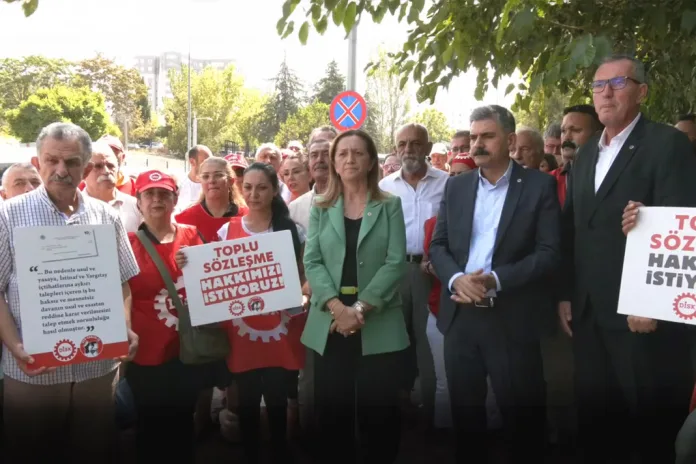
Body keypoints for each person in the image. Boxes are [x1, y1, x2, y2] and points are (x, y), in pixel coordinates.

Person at [559, 54, 696, 463]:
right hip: (588, 314)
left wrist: (650, 300)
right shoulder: (586, 155)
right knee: (599, 426)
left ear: (642, 92)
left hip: (640, 319)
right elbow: (573, 229)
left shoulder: (666, 143)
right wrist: (566, 294)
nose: (606, 92)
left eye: (618, 83)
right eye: (599, 85)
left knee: (648, 430)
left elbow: (681, 223)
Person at [0, 122, 139, 463]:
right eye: (52, 161)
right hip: (33, 370)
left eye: (72, 162)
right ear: (38, 162)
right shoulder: (8, 215)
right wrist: (14, 344)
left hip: (96, 368)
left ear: (86, 166)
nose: (61, 170)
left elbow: (121, 279)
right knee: (31, 452)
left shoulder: (106, 216)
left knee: (93, 449)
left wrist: (123, 325)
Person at [430, 105, 561, 463]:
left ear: (510, 139)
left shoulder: (539, 186)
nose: (477, 144)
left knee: (523, 425)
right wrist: (458, 278)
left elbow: (549, 253)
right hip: (461, 318)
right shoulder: (456, 187)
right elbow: (438, 247)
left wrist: (495, 280)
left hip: (512, 319)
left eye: (487, 136)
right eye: (473, 137)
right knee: (467, 424)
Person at [179, 162, 306, 464]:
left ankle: (279, 451)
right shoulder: (227, 230)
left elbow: (304, 275)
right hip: (241, 330)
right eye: (247, 187)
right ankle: (250, 452)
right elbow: (212, 273)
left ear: (275, 190)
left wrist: (302, 293)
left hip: (282, 327)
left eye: (262, 187)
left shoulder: (293, 231)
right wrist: (188, 262)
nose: (254, 194)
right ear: (240, 188)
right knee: (246, 399)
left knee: (277, 397)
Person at [302, 129, 409, 464]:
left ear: (370, 161)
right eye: (342, 153)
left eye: (357, 153)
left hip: (377, 320)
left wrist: (358, 309)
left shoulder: (390, 205)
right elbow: (312, 261)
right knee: (332, 413)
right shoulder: (321, 206)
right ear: (333, 162)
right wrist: (337, 308)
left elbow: (395, 262)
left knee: (380, 415)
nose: (349, 159)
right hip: (330, 322)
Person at [125, 170, 207, 463]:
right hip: (145, 352)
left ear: (175, 200)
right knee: (148, 423)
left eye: (164, 194)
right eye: (149, 194)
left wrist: (196, 264)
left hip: (184, 349)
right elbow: (122, 293)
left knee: (183, 419)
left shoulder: (192, 236)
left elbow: (210, 284)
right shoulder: (127, 243)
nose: (157, 200)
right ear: (139, 202)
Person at [175, 157, 247, 243]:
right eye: (205, 176)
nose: (211, 180)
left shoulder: (248, 216)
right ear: (200, 181)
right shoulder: (184, 219)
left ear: (231, 181)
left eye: (218, 175)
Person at [82, 141, 141, 233]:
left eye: (110, 166)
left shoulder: (136, 207)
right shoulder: (70, 210)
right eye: (98, 166)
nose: (106, 171)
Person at [175, 145, 212, 212]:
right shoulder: (179, 183)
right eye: (205, 161)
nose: (209, 165)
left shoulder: (213, 185)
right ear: (192, 162)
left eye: (211, 161)